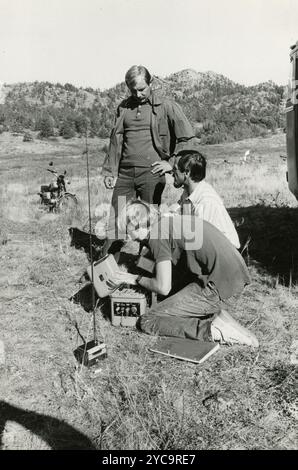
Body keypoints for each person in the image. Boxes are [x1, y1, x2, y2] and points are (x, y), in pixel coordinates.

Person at [111, 200, 258, 347]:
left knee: (148, 320)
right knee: (170, 297)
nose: (128, 238)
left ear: (136, 225)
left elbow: (163, 287)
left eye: (127, 231)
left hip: (221, 287)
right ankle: (220, 319)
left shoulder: (157, 236)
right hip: (234, 275)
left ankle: (212, 329)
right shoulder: (167, 221)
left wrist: (136, 279)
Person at [101, 65, 196, 254]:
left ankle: (149, 265)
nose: (138, 94)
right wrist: (110, 170)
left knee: (150, 223)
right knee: (116, 220)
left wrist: (170, 163)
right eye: (133, 90)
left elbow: (187, 138)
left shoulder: (166, 106)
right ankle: (105, 266)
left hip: (151, 174)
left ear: (151, 83)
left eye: (142, 89)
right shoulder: (123, 108)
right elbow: (115, 142)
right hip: (125, 175)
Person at [171, 150, 240, 248]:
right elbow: (174, 213)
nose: (172, 173)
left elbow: (199, 243)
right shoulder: (189, 193)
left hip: (222, 254)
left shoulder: (206, 202)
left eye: (175, 169)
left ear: (186, 172)